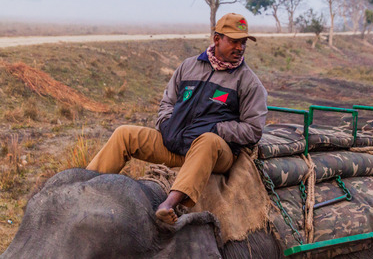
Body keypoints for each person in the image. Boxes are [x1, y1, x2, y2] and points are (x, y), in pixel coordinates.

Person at [86, 13, 268, 224]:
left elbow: (253, 129)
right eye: (234, 41)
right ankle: (84, 186)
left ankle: (168, 204)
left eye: (243, 42)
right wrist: (166, 125)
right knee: (125, 133)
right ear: (217, 39)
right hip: (175, 144)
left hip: (216, 154)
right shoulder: (188, 67)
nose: (240, 47)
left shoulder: (248, 82)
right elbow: (167, 103)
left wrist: (216, 129)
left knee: (208, 141)